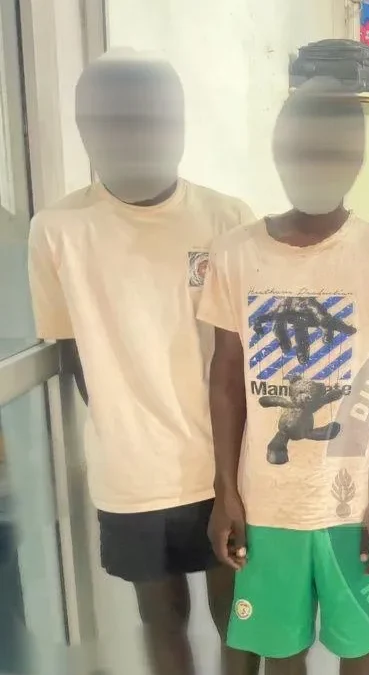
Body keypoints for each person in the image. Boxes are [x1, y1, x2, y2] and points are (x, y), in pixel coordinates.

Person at [27, 51, 259, 675]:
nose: (133, 136)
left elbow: (246, 352)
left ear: (177, 124)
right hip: (130, 474)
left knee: (238, 612)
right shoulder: (58, 230)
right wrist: (128, 423)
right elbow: (72, 350)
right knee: (161, 619)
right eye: (111, 122)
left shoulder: (227, 218)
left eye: (150, 119)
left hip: (224, 466)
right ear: (85, 131)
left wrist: (235, 464)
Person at [198, 78, 369, 675]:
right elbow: (225, 377)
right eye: (301, 150)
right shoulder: (235, 253)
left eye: (332, 152)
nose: (315, 165)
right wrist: (226, 491)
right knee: (280, 652)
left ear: (355, 160)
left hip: (352, 503)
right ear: (278, 154)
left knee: (359, 649)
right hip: (266, 504)